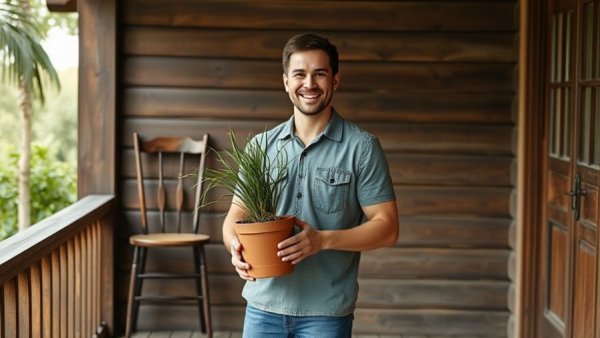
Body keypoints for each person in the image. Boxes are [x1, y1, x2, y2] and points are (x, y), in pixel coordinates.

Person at [222, 33, 399, 338]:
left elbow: (388, 227)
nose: (309, 83)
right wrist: (234, 248)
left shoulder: (362, 147)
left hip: (326, 313)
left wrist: (322, 240)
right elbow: (235, 218)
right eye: (300, 74)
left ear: (335, 80)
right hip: (262, 307)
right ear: (286, 81)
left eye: (320, 73)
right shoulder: (260, 147)